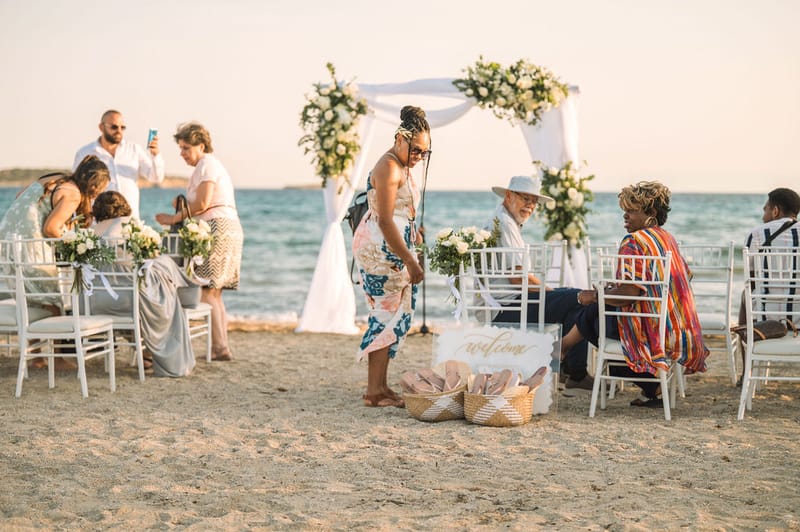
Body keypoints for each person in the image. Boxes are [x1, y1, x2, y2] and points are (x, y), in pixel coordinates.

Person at [560, 181, 709, 407]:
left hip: (648, 332)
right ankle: (652, 388)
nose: (625, 216)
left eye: (632, 211)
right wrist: (610, 292)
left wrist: (599, 295)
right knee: (598, 310)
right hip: (672, 327)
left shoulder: (633, 241)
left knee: (593, 315)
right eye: (625, 211)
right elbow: (679, 279)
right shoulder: (667, 239)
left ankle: (562, 350)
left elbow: (630, 294)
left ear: (650, 213)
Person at [0, 155, 111, 369]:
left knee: (31, 300)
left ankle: (37, 356)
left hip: (9, 241)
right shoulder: (74, 195)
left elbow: (20, 195)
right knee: (54, 301)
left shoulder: (55, 179)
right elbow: (50, 229)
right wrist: (70, 242)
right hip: (30, 245)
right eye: (100, 188)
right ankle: (58, 357)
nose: (98, 193)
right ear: (93, 184)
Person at [352, 105, 430, 408]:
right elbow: (385, 220)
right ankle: (373, 391)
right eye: (416, 149)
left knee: (395, 313)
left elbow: (402, 212)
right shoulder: (388, 167)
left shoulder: (404, 166)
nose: (419, 156)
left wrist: (416, 238)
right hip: (379, 249)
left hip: (396, 247)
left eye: (425, 153)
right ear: (400, 138)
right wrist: (410, 260)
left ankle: (381, 387)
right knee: (385, 314)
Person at [487, 175, 593, 392]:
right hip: (509, 308)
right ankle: (575, 372)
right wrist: (549, 292)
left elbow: (520, 275)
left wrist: (553, 294)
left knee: (571, 299)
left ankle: (571, 370)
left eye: (534, 202)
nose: (530, 206)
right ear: (509, 196)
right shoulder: (505, 224)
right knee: (580, 298)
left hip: (510, 302)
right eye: (525, 198)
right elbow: (517, 278)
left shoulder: (505, 220)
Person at [155, 122, 242, 362]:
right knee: (214, 292)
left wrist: (173, 218)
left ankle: (221, 348)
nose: (182, 153)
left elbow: (203, 204)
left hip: (217, 227)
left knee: (207, 290)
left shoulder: (207, 165)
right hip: (225, 226)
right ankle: (220, 346)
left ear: (201, 146)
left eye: (185, 148)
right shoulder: (206, 167)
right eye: (181, 148)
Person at [90, 191, 195, 377]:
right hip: (127, 302)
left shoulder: (91, 233)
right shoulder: (128, 226)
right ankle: (157, 352)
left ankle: (145, 352)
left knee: (155, 279)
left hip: (95, 303)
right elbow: (150, 256)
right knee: (163, 282)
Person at [735, 187, 800, 384]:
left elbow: (751, 278)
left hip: (765, 320)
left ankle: (747, 372)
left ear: (775, 211)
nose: (764, 215)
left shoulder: (757, 234)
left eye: (765, 209)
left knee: (746, 296)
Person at [73, 109, 165, 219]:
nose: (119, 130)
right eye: (114, 127)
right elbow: (76, 185)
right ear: (101, 127)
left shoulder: (134, 149)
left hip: (130, 222)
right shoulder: (85, 152)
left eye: (123, 127)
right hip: (98, 221)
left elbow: (156, 178)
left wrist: (155, 155)